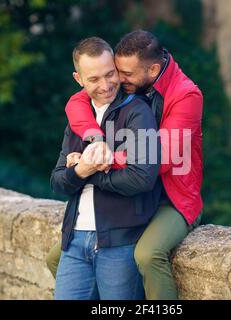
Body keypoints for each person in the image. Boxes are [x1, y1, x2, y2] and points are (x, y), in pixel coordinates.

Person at [47, 30, 203, 300]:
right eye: (114, 71)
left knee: (147, 254)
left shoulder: (186, 96)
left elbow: (156, 161)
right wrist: (95, 142)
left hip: (172, 195)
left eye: (124, 74)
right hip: (136, 192)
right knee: (55, 256)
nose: (116, 80)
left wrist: (98, 161)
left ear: (152, 70)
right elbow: (76, 101)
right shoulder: (128, 90)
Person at [50, 36, 161, 300]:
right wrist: (80, 172)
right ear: (79, 79)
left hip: (121, 241)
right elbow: (56, 181)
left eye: (110, 74)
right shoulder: (78, 119)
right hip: (74, 241)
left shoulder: (137, 112)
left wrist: (90, 172)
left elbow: (142, 177)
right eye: (94, 79)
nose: (106, 85)